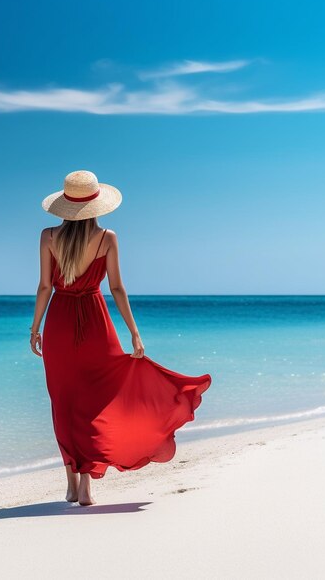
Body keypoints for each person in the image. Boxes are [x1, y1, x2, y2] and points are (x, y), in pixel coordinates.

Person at [30, 170, 212, 506]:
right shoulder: (107, 238)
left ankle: (71, 484)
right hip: (97, 323)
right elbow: (116, 288)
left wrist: (35, 327)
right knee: (95, 401)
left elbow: (44, 286)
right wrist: (134, 333)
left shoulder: (47, 236)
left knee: (64, 403)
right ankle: (86, 484)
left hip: (59, 324)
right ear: (97, 205)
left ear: (65, 206)